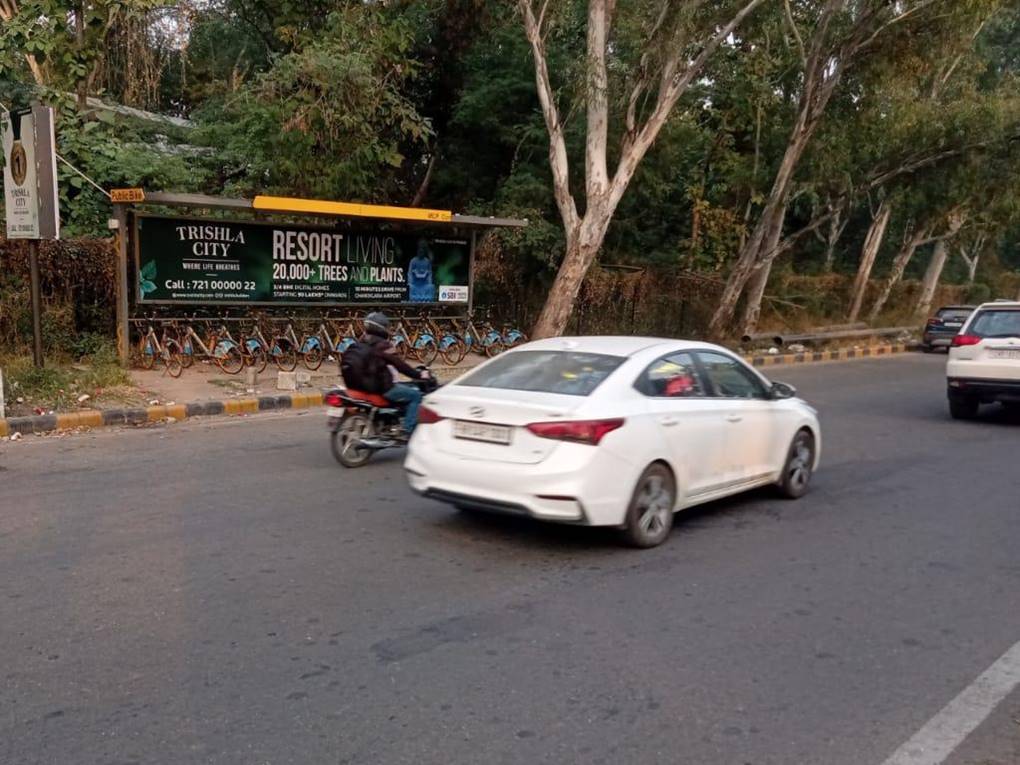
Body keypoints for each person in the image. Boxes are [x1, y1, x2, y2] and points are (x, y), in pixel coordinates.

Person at [341, 312, 431, 435]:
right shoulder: (383, 345)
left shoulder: (360, 342)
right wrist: (419, 375)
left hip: (364, 386)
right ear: (381, 328)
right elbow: (400, 365)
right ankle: (407, 430)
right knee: (416, 395)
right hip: (383, 388)